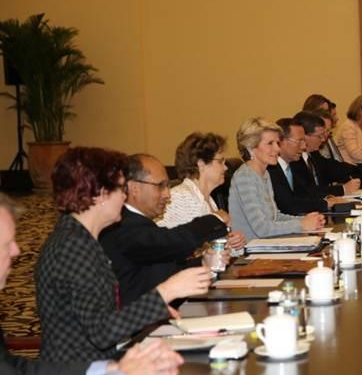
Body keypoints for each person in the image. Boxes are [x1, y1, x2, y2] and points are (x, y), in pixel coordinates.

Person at [0, 194, 183, 375]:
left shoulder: (85, 240)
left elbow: (16, 370)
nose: (17, 250)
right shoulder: (71, 244)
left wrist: (110, 370)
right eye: (6, 244)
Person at [35, 148, 212, 363]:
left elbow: (102, 318)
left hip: (100, 364)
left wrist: (153, 310)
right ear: (99, 194)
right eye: (120, 188)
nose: (125, 196)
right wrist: (166, 292)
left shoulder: (83, 239)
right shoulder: (72, 247)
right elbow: (101, 332)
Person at [100, 153, 230, 305]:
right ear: (134, 188)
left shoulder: (140, 222)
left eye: (168, 186)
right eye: (160, 186)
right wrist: (215, 220)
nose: (168, 194)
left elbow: (163, 270)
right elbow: (170, 241)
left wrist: (203, 263)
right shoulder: (122, 224)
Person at [228, 117, 325, 240]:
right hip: (250, 253)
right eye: (270, 143)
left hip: (267, 246)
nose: (277, 149)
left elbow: (275, 217)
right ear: (251, 148)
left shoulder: (265, 173)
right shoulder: (245, 177)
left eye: (277, 143)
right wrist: (300, 224)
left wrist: (306, 220)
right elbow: (261, 228)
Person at [158, 133, 246, 254]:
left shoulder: (208, 200)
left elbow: (214, 248)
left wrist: (235, 243)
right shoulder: (180, 197)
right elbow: (187, 249)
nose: (225, 168)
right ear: (201, 164)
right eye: (220, 161)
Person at [268, 117, 351, 215]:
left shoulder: (292, 165)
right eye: (299, 141)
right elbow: (287, 205)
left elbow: (305, 193)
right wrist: (325, 203)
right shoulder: (271, 169)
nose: (303, 147)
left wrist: (329, 199)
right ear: (281, 142)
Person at [292, 111, 361, 196]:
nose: (323, 139)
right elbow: (307, 191)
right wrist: (343, 189)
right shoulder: (294, 160)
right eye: (319, 136)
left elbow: (337, 169)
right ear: (305, 136)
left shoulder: (313, 154)